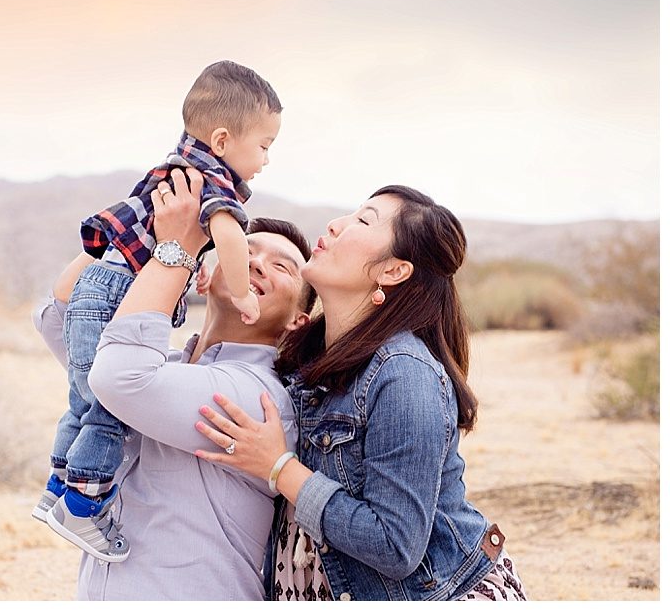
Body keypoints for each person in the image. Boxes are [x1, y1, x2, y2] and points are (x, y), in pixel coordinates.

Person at [193, 185, 528, 601]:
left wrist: (279, 467)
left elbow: (395, 545)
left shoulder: (403, 373)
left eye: (363, 221)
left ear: (392, 271)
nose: (335, 225)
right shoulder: (308, 359)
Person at [34, 61, 283, 563]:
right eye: (263, 146)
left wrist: (180, 258)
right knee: (106, 409)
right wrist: (242, 292)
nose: (266, 160)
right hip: (120, 292)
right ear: (222, 139)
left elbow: (63, 300)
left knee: (82, 399)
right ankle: (82, 504)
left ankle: (57, 488)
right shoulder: (213, 181)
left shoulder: (171, 168)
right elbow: (231, 235)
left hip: (100, 283)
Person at [31, 168, 317, 599]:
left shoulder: (258, 398)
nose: (255, 263)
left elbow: (120, 377)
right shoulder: (166, 365)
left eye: (281, 267)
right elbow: (62, 313)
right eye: (244, 250)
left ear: (298, 322)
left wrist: (177, 247)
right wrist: (143, 219)